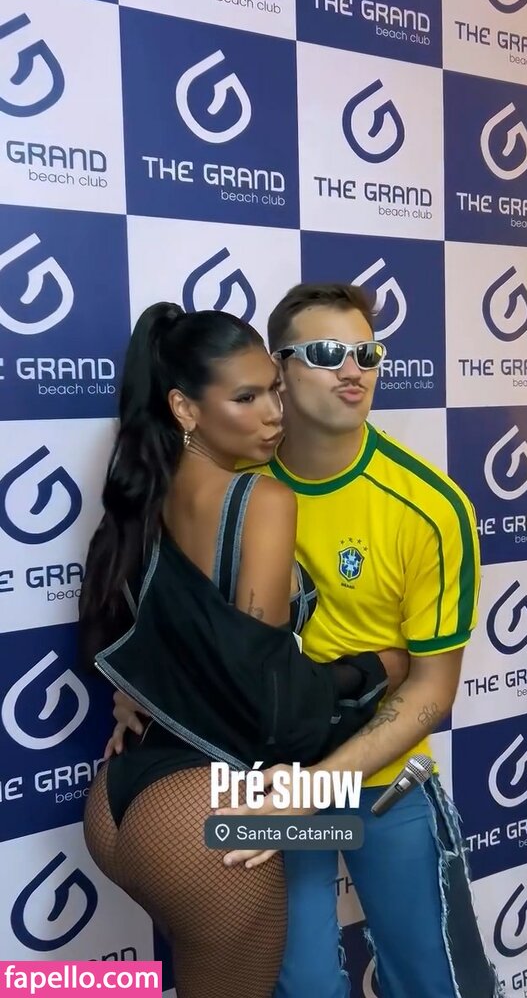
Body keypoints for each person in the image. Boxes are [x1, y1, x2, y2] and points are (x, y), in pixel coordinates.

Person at [112, 284, 500, 998]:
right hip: (264, 782)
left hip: (379, 784)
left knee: (437, 980)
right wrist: (138, 689)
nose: (353, 370)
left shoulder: (431, 506)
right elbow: (176, 616)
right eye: (325, 353)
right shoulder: (233, 476)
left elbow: (432, 690)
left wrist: (318, 783)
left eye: (367, 354)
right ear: (280, 369)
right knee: (305, 983)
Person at [79, 302, 406, 998]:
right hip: (207, 814)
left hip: (116, 805)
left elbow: (130, 638)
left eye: (276, 392)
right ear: (185, 408)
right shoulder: (262, 498)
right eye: (247, 398)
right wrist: (374, 670)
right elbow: (267, 704)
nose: (274, 415)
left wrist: (131, 695)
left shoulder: (141, 494)